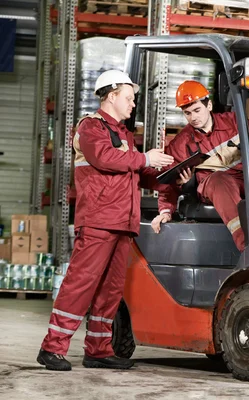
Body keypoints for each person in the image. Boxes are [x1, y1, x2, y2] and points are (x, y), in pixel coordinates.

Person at [37, 70, 176, 371]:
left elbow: (134, 171)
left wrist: (169, 174)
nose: (132, 104)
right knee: (81, 283)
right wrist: (145, 159)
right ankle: (52, 348)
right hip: (99, 219)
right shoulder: (91, 127)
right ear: (111, 96)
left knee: (111, 290)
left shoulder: (125, 134)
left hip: (122, 223)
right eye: (129, 98)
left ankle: (98, 349)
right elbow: (104, 159)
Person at [151, 80, 249, 251]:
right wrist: (165, 211)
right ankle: (248, 246)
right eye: (188, 113)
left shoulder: (233, 122)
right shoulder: (181, 143)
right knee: (220, 180)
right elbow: (168, 182)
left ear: (209, 105)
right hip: (214, 185)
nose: (193, 117)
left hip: (245, 178)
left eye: (197, 110)